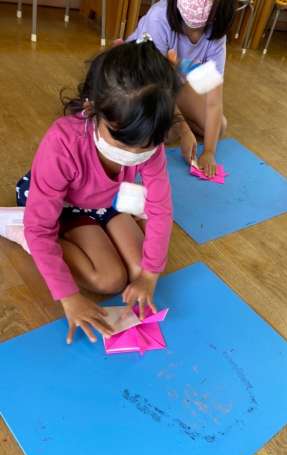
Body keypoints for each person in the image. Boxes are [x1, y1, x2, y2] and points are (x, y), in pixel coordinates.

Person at [16, 37, 181, 343]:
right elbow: (40, 227)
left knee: (140, 269)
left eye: (146, 146)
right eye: (123, 142)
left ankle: (102, 238)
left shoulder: (149, 141)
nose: (134, 154)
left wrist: (149, 276)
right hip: (65, 206)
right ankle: (22, 232)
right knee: (110, 279)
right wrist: (69, 297)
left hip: (109, 201)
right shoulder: (63, 142)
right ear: (93, 108)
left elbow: (161, 209)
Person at [128, 0, 237, 177]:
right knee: (143, 129)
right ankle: (167, 124)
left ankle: (167, 122)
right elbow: (156, 86)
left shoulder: (216, 33)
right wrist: (184, 129)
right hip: (142, 83)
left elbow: (214, 99)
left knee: (219, 126)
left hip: (177, 81)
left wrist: (209, 152)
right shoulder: (159, 17)